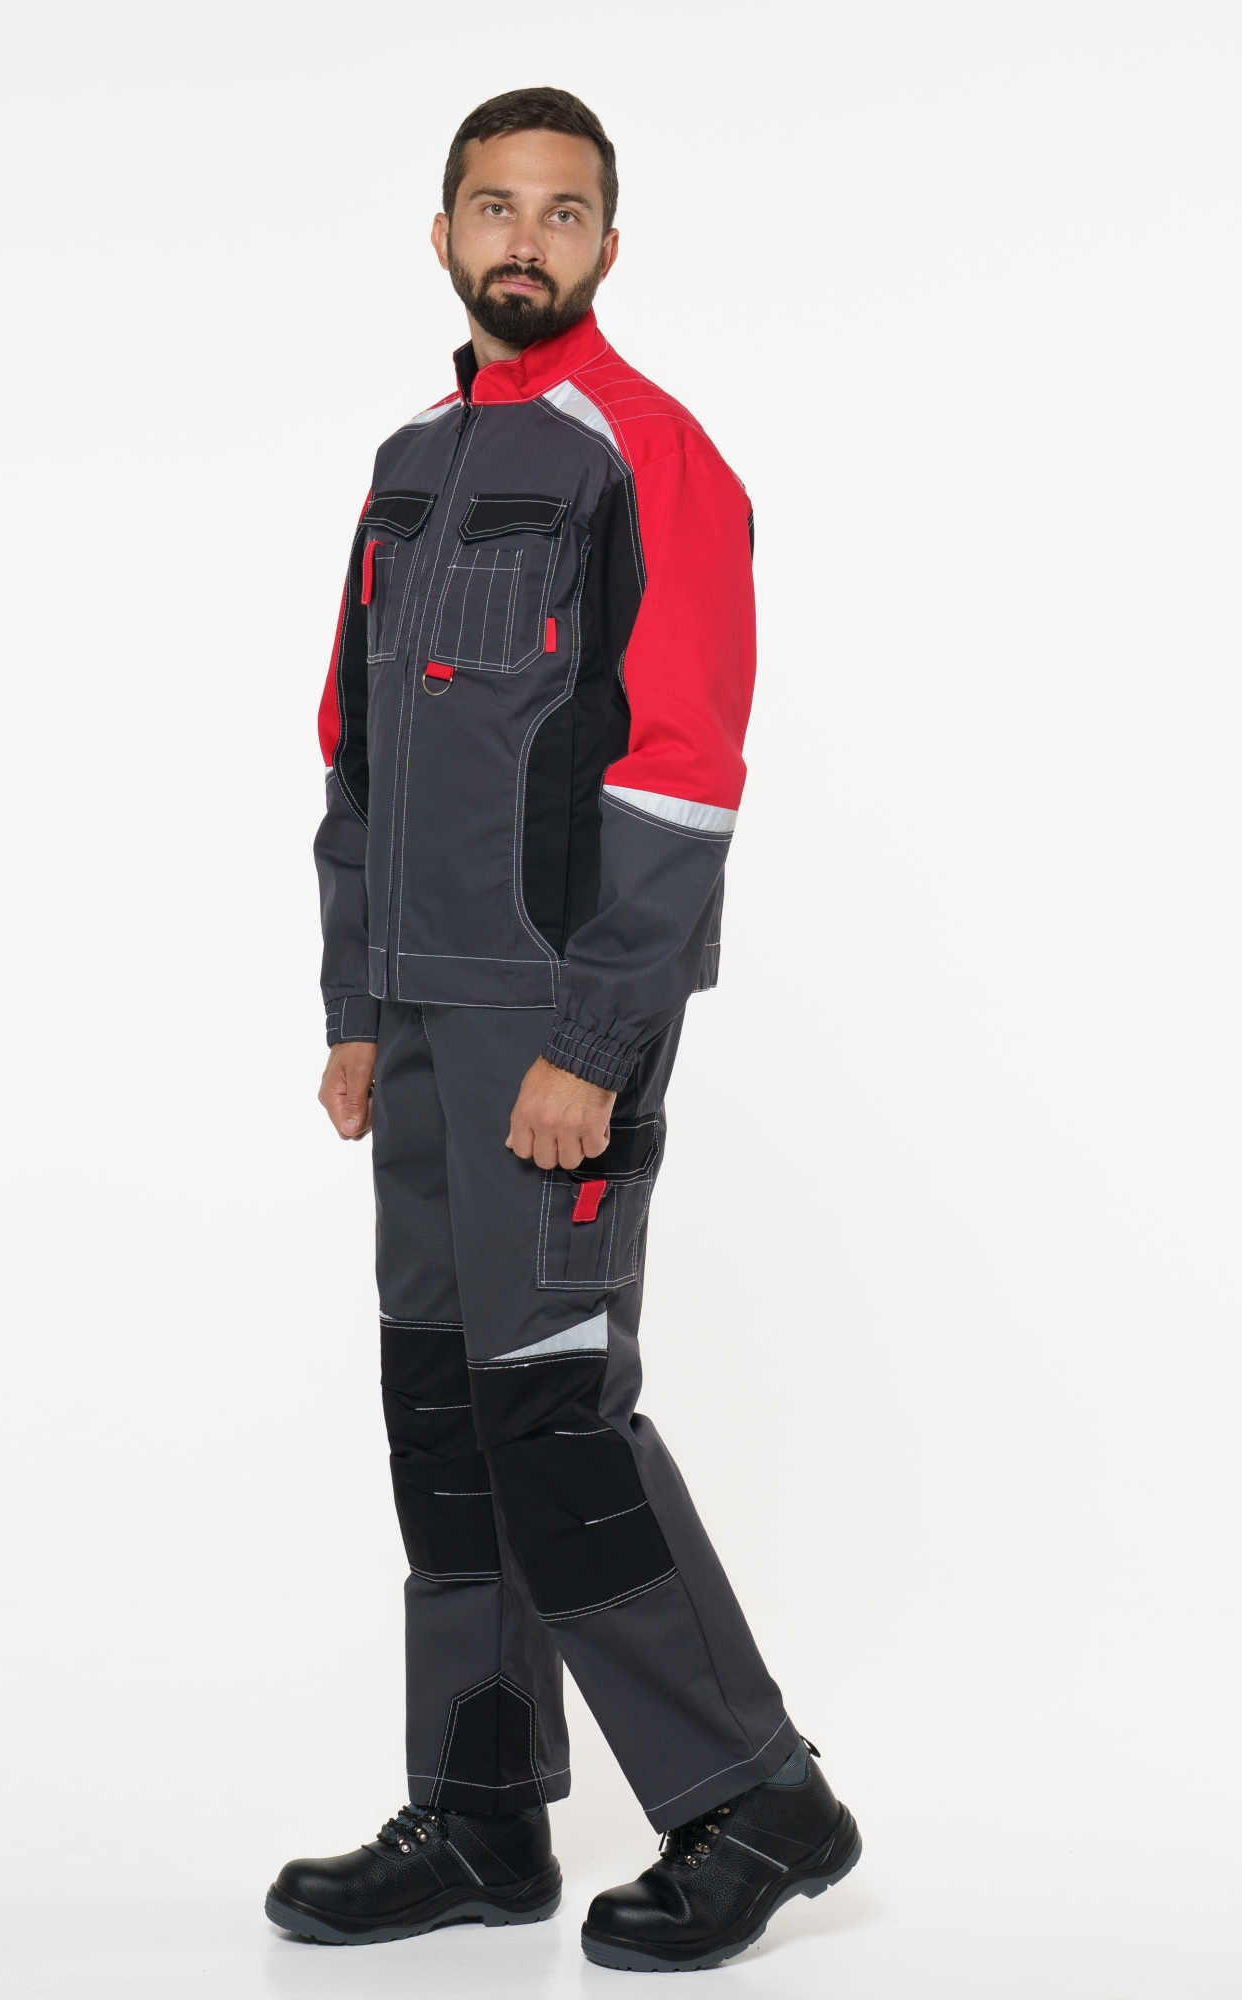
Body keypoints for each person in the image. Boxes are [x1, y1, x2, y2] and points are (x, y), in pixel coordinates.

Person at [265, 86, 860, 1973]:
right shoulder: (408, 465)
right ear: (442, 233)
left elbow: (682, 775)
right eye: (494, 207)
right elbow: (357, 753)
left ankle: (755, 1796)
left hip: (550, 1028)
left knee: (549, 1417)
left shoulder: (651, 455)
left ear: (610, 244)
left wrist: (594, 1044)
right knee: (442, 1412)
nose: (524, 240)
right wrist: (354, 1007)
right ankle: (479, 1808)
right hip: (416, 1026)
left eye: (563, 211)